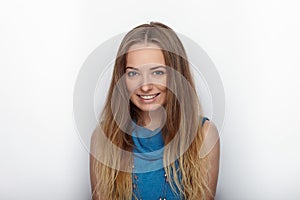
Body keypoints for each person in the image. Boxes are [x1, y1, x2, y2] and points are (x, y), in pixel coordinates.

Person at [90, 22, 220, 200]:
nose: (145, 86)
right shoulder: (103, 138)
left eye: (157, 72)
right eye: (133, 73)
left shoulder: (204, 136)